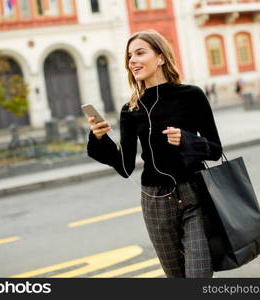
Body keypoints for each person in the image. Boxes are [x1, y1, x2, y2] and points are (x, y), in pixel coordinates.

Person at [86, 30, 222, 278]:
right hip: (155, 202)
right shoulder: (131, 109)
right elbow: (125, 167)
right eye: (129, 56)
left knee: (199, 275)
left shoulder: (192, 96)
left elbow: (215, 149)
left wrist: (187, 140)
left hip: (194, 195)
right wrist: (99, 138)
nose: (132, 61)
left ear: (160, 57)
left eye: (140, 53)